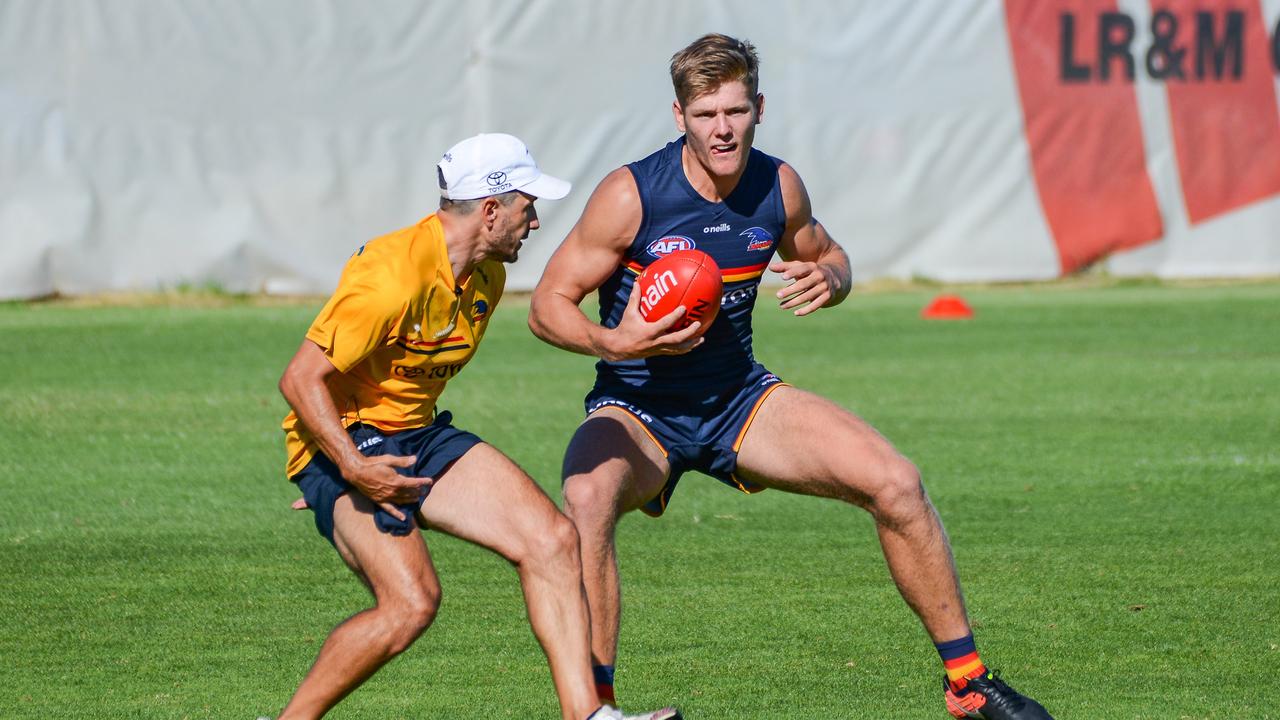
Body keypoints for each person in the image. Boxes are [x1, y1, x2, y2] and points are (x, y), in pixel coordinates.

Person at [528, 34, 1055, 720]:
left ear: (760, 108)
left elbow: (830, 253)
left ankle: (968, 683)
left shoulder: (777, 187)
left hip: (739, 401)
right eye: (706, 113)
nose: (723, 129)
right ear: (679, 116)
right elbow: (546, 305)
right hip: (637, 408)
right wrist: (614, 339)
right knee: (586, 501)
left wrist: (830, 277)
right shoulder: (632, 195)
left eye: (737, 111)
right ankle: (596, 711)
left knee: (896, 482)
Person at [268, 133, 680, 720]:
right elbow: (300, 379)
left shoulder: (483, 276)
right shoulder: (391, 275)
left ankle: (588, 716)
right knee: (410, 604)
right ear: (491, 210)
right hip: (345, 439)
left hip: (415, 435)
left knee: (554, 541)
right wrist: (343, 471)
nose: (534, 222)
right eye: (527, 206)